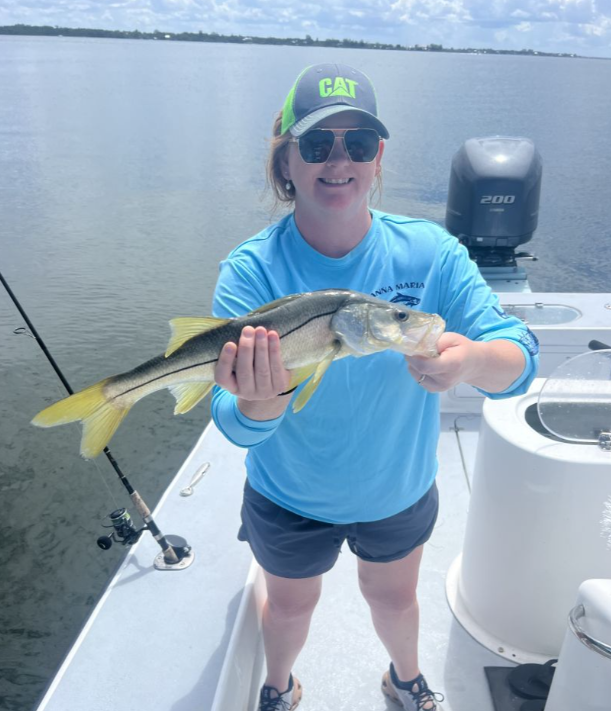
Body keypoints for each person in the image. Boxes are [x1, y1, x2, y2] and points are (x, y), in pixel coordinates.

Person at [211, 63, 539, 711]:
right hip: (289, 494)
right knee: (288, 604)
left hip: (396, 489)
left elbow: (519, 359)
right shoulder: (251, 269)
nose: (338, 160)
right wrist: (263, 396)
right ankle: (278, 684)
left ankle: (405, 677)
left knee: (394, 597)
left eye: (357, 144)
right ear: (285, 160)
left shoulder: (431, 254)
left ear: (378, 156)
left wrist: (469, 360)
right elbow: (233, 421)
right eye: (315, 144)